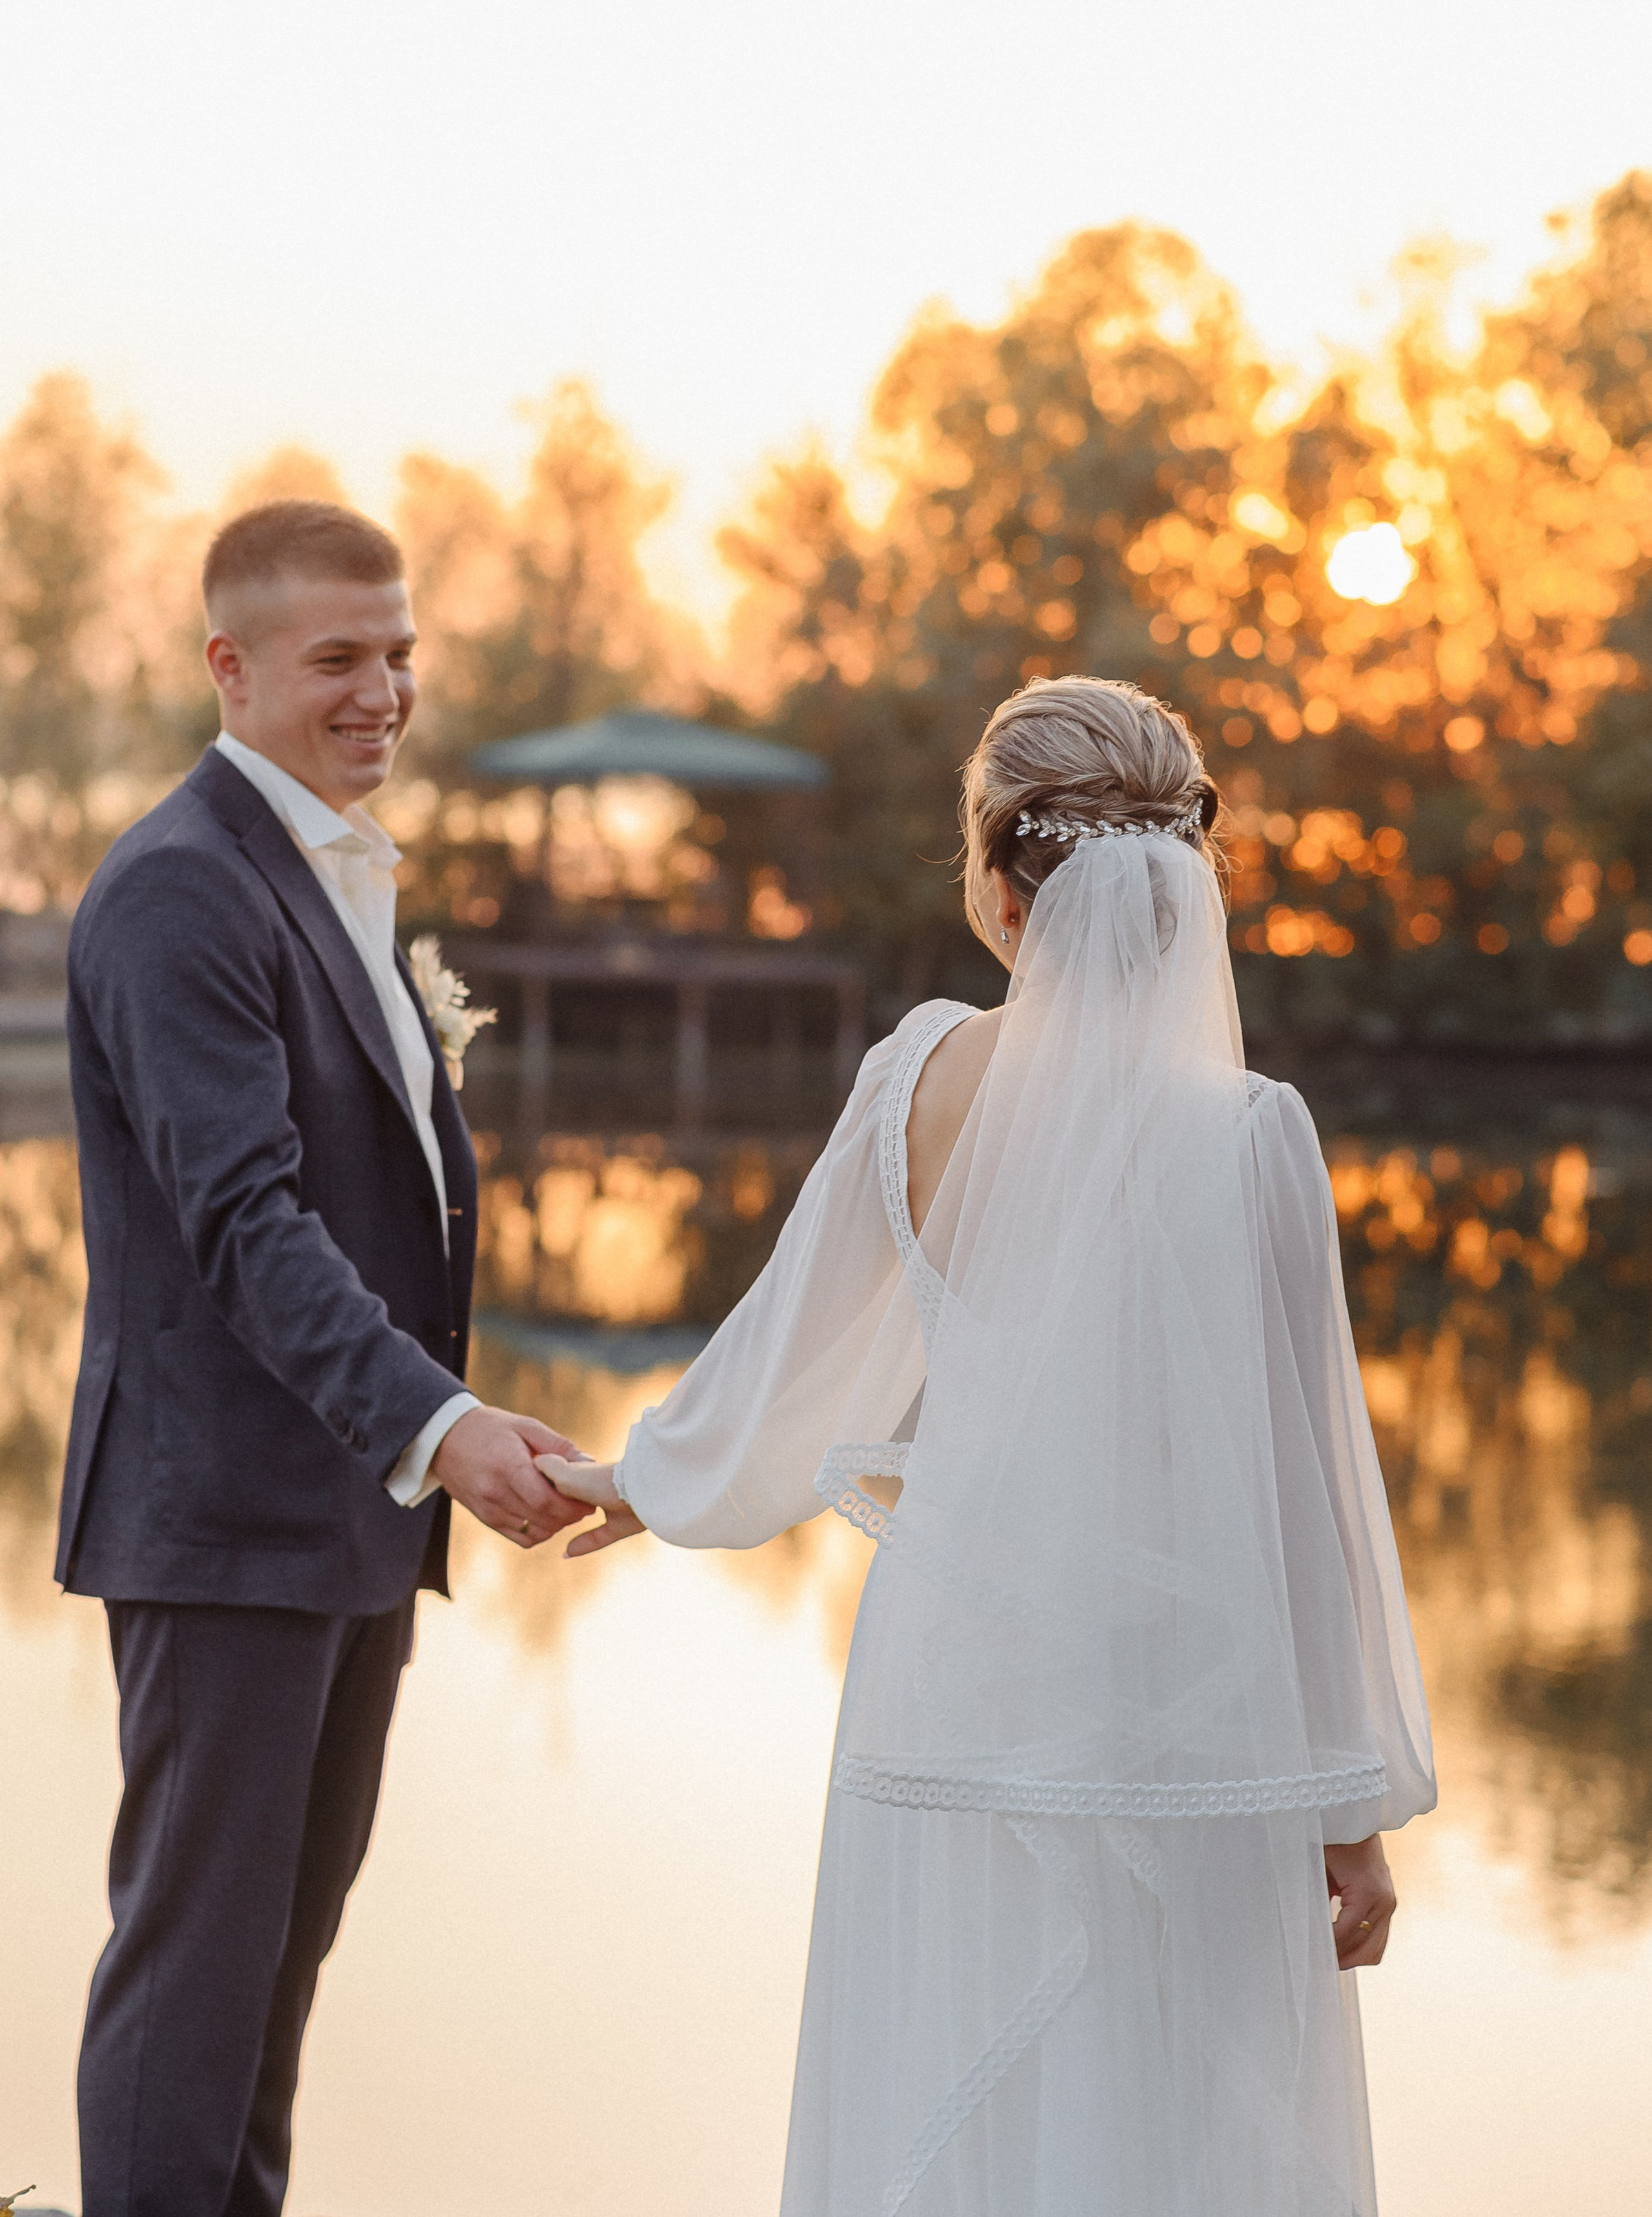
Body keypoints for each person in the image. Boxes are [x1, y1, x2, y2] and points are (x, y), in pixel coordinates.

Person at [543, 673, 1436, 2217]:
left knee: (947, 2062)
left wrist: (649, 1475)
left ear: (996, 881)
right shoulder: (1249, 1132)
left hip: (952, 1680)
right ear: (1180, 889)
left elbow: (788, 1344)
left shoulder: (917, 1076)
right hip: (1190, 1697)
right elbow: (1303, 1495)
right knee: (1178, 2094)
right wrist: (1342, 1809)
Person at [57, 501, 590, 2217]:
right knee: (196, 1970)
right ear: (231, 666)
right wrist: (437, 1426)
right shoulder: (176, 890)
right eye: (340, 657)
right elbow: (245, 1222)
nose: (386, 692)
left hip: (342, 1517)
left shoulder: (328, 870)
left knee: (276, 1973)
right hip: (226, 1519)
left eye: (401, 652)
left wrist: (422, 1443)